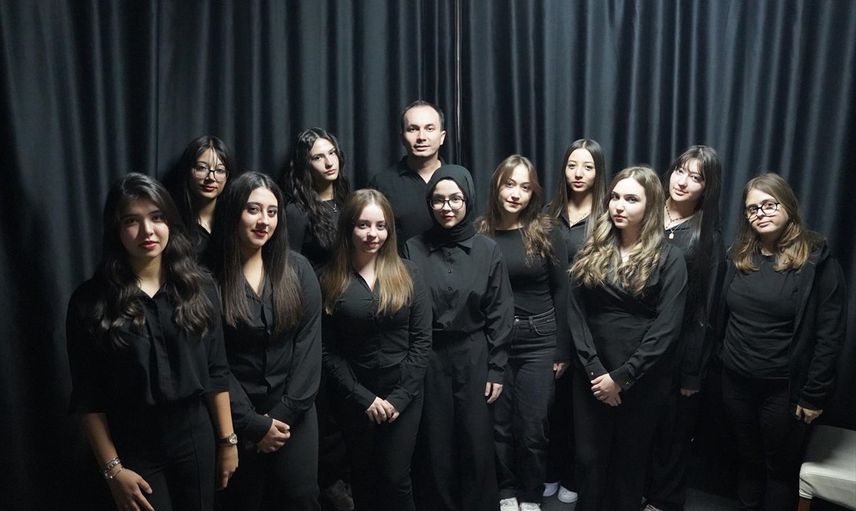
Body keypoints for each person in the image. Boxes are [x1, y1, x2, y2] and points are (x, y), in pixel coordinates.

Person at [66, 173, 237, 511]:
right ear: (116, 229)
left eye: (157, 217)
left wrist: (227, 441)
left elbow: (217, 372)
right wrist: (113, 471)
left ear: (170, 221)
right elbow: (88, 396)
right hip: (133, 445)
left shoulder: (200, 287)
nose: (147, 231)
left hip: (195, 436)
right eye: (132, 221)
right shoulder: (90, 301)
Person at [717, 172, 846, 511]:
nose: (760, 213)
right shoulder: (740, 255)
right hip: (735, 381)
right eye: (752, 208)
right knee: (747, 459)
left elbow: (830, 334)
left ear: (788, 205)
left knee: (779, 469)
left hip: (784, 389)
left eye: (769, 205)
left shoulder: (817, 261)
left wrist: (813, 393)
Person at [567, 166, 687, 511]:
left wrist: (622, 378)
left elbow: (667, 327)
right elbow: (575, 312)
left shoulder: (670, 257)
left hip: (642, 379)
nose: (619, 205)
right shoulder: (591, 249)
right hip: (591, 375)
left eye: (631, 199)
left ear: (650, 206)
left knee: (628, 465)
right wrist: (595, 371)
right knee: (589, 460)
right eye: (615, 197)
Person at [207, 172, 322, 510]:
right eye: (253, 210)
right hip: (236, 415)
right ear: (233, 213)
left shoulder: (298, 269)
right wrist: (254, 424)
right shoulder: (207, 278)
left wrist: (281, 418)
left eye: (272, 212)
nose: (264, 221)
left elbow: (308, 348)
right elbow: (212, 360)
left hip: (294, 411)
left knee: (300, 498)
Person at [404, 164, 514, 511]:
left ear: (468, 200)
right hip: (429, 356)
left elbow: (500, 312)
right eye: (438, 200)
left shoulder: (488, 250)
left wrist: (497, 368)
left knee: (476, 440)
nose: (447, 207)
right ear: (429, 203)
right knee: (435, 443)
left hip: (474, 354)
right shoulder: (411, 248)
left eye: (455, 199)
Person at [320, 189, 432, 511]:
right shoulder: (329, 279)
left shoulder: (409, 273)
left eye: (380, 226)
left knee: (396, 479)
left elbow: (422, 341)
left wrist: (399, 398)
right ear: (349, 228)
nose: (373, 234)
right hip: (355, 396)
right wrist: (363, 398)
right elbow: (328, 350)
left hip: (404, 395)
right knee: (363, 477)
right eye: (363, 225)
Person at [477, 155, 570, 511]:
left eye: (525, 187)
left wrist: (562, 349)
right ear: (497, 187)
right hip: (494, 342)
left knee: (533, 426)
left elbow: (562, 291)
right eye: (509, 184)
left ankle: (531, 494)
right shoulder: (480, 231)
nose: (516, 193)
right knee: (498, 425)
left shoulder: (546, 231)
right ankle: (506, 491)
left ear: (533, 193)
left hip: (539, 341)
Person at [643, 145, 724, 511]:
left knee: (672, 433)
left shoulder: (707, 235)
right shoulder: (645, 213)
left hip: (678, 350)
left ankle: (663, 501)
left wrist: (693, 370)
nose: (683, 182)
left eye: (696, 177)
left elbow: (705, 308)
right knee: (635, 428)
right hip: (635, 342)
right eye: (680, 171)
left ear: (707, 188)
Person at [543, 138, 608, 504]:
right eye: (572, 165)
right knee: (550, 408)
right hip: (550, 325)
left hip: (591, 328)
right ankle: (550, 470)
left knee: (581, 412)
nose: (578, 173)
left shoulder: (606, 218)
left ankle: (572, 475)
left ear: (598, 172)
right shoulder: (548, 215)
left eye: (587, 166)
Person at [369, 100, 447, 251]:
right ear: (402, 137)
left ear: (442, 137)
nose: (421, 137)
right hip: (399, 266)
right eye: (413, 129)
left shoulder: (458, 181)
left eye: (429, 128)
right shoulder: (382, 183)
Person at [281, 127, 351, 271]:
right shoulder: (297, 211)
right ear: (305, 165)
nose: (329, 163)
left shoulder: (348, 202)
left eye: (332, 153)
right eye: (318, 157)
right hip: (317, 284)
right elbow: (290, 268)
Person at [163, 135, 238, 256]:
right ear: (187, 170)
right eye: (201, 168)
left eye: (220, 170)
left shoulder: (234, 221)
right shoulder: (172, 222)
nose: (211, 178)